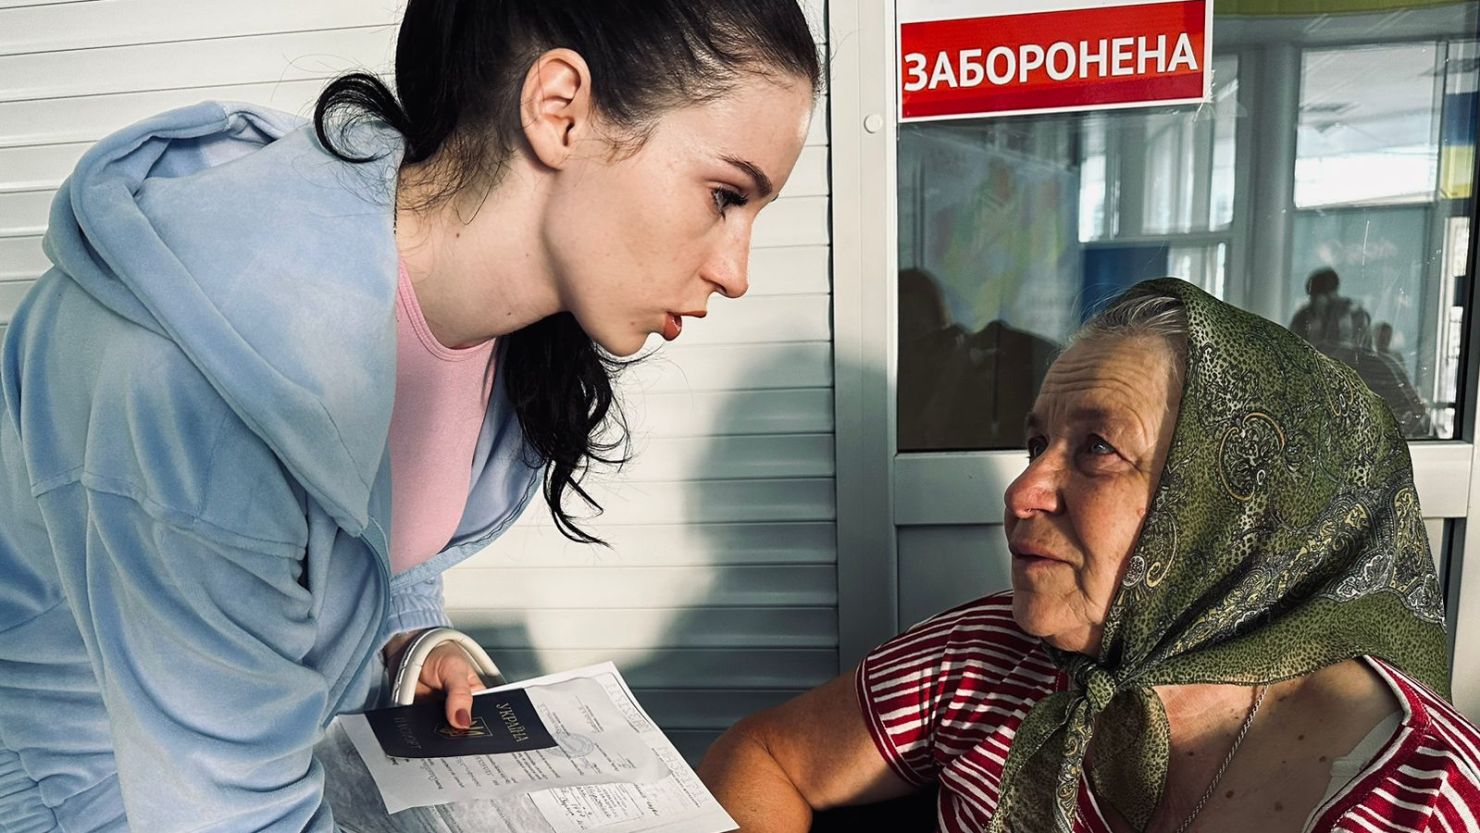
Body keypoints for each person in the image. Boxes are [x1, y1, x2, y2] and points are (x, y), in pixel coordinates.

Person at [0, 1, 818, 830]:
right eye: (724, 195)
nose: (737, 270)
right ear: (560, 109)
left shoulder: (486, 316)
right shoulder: (186, 382)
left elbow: (359, 501)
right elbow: (219, 804)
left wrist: (411, 635)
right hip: (85, 791)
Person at [699, 278, 1479, 832]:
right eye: (1038, 442)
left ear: (1238, 507)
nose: (1023, 490)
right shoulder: (995, 653)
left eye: (1097, 447)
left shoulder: (1424, 793)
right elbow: (763, 752)